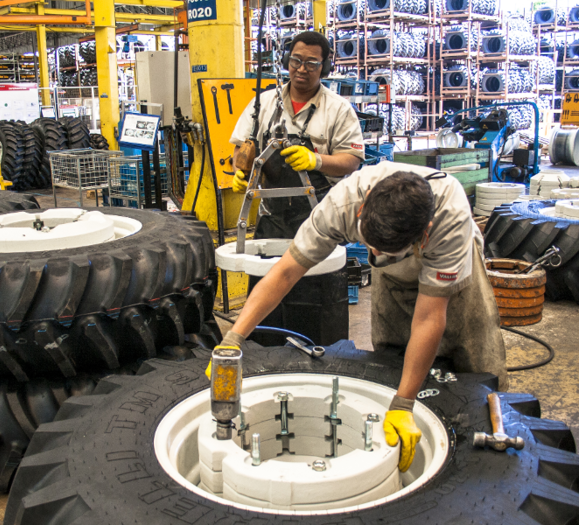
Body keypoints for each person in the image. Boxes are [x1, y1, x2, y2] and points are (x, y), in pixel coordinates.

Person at [213, 160, 507, 473]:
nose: (373, 253)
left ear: (423, 235)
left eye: (385, 250)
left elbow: (429, 317)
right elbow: (285, 272)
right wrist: (234, 340)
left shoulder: (449, 221)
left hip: (456, 275)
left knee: (477, 364)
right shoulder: (342, 203)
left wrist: (403, 405)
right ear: (362, 209)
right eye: (368, 244)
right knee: (390, 359)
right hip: (392, 273)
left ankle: (490, 450)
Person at [230, 31, 365, 239]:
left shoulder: (339, 109)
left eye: (311, 63)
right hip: (271, 217)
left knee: (319, 271)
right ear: (286, 61)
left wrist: (316, 160)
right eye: (296, 61)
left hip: (322, 216)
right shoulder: (263, 103)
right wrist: (241, 173)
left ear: (324, 67)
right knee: (267, 270)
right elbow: (241, 147)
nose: (301, 69)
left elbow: (352, 160)